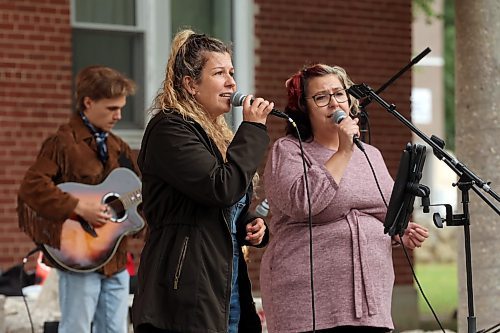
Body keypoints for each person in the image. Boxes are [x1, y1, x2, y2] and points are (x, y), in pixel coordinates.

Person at [260, 64, 429, 333]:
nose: (333, 103)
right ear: (304, 108)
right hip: (308, 303)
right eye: (321, 97)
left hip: (370, 302)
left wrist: (399, 231)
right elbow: (303, 204)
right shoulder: (289, 151)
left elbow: (384, 211)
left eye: (339, 94)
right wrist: (342, 151)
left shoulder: (370, 154)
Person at [131, 29, 272, 333]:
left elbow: (221, 204)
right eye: (219, 73)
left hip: (226, 288)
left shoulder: (216, 135)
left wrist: (249, 223)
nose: (232, 82)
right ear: (191, 84)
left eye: (232, 72)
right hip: (185, 293)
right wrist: (253, 130)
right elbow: (220, 187)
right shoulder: (169, 129)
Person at [18, 65, 139, 333]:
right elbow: (32, 186)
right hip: (80, 256)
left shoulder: (119, 147)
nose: (119, 116)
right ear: (88, 102)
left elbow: (139, 192)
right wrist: (78, 206)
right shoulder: (62, 142)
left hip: (116, 258)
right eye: (111, 109)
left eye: (121, 108)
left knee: (116, 330)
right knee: (77, 328)